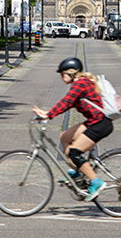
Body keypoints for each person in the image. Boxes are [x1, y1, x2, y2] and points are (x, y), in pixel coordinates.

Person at [32, 57, 112, 202]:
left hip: (100, 124)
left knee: (74, 151)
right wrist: (47, 113)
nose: (62, 77)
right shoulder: (78, 84)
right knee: (64, 136)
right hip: (93, 122)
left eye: (63, 74)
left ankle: (96, 182)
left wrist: (48, 115)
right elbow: (68, 104)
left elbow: (67, 101)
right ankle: (75, 171)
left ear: (72, 73)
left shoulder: (81, 84)